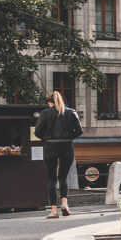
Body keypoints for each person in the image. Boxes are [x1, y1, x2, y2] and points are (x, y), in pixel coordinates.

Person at [36, 90, 81, 218]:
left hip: (50, 146)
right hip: (67, 146)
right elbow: (79, 130)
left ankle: (54, 210)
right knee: (63, 177)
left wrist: (46, 137)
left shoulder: (45, 113)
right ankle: (64, 203)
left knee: (51, 178)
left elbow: (38, 132)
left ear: (50, 102)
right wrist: (68, 136)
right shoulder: (71, 112)